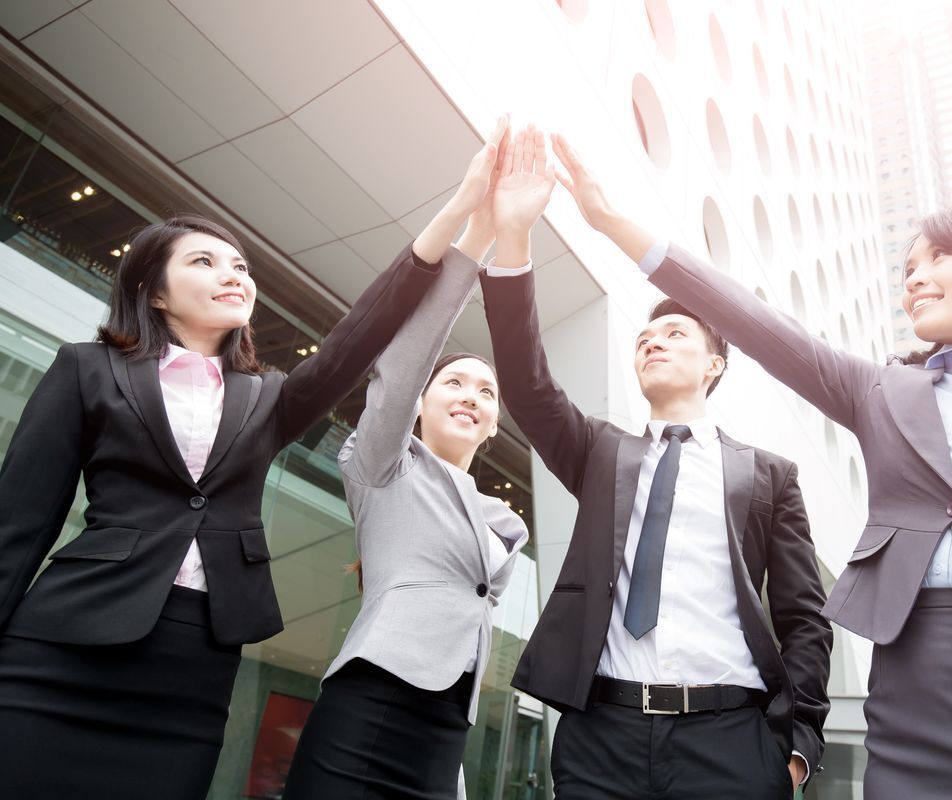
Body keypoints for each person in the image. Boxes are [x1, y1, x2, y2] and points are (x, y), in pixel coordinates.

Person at [548, 134, 952, 799]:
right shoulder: (881, 391)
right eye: (909, 264)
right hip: (916, 715)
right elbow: (754, 323)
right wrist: (613, 225)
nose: (914, 276)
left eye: (939, 256)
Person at [0, 117, 509, 799]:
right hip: (64, 646)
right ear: (154, 290)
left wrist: (464, 211)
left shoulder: (269, 396)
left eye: (240, 264)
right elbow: (21, 520)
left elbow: (365, 333)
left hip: (193, 666)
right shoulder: (87, 370)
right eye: (203, 262)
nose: (232, 274)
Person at [479, 128, 831, 799]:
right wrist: (516, 236)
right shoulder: (602, 452)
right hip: (601, 736)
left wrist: (798, 747)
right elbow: (527, 386)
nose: (653, 343)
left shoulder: (768, 475)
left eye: (674, 334)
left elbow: (803, 618)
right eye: (643, 338)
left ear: (715, 363)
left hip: (731, 741)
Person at [281, 123, 540, 800]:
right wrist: (477, 231)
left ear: (490, 429)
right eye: (454, 382)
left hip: (447, 725)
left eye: (487, 393)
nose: (472, 397)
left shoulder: (504, 525)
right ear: (419, 404)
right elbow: (404, 360)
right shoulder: (382, 467)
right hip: (372, 702)